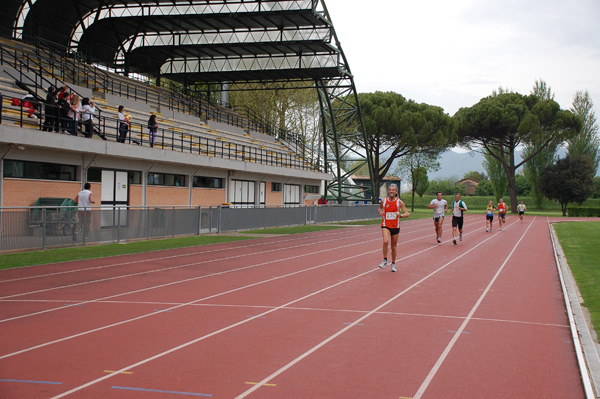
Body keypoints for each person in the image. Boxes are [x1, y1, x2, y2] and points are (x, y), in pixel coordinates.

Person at [377, 183, 409, 272]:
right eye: (390, 189)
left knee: (393, 246)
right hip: (385, 224)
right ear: (388, 191)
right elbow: (379, 208)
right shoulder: (384, 201)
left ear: (396, 192)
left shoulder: (399, 202)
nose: (391, 191)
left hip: (395, 226)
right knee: (385, 241)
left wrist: (401, 215)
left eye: (393, 190)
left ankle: (393, 263)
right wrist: (380, 212)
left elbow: (407, 213)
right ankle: (385, 260)